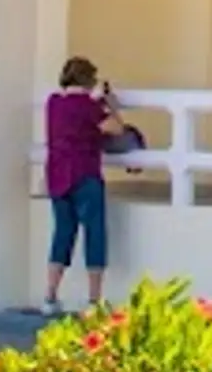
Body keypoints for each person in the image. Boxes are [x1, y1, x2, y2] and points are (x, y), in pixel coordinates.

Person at [41, 56, 141, 313]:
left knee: (62, 232)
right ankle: (94, 299)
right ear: (89, 80)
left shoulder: (53, 104)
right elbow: (117, 129)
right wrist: (107, 103)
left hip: (57, 174)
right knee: (94, 233)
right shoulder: (89, 106)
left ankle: (50, 296)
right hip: (85, 173)